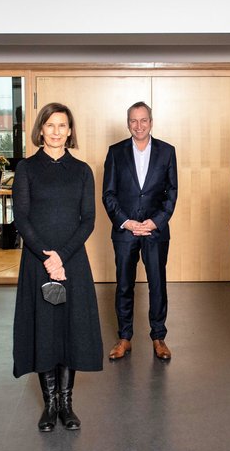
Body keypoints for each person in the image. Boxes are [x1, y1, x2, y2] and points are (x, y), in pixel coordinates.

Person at [12, 102, 103, 432]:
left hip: (72, 261)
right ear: (40, 130)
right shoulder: (26, 168)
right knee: (45, 329)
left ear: (70, 131)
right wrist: (47, 257)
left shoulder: (82, 171)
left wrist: (61, 256)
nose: (55, 131)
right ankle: (49, 404)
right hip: (38, 263)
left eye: (62, 125)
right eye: (50, 125)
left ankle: (67, 403)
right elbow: (21, 217)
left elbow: (88, 219)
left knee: (70, 329)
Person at [101, 101, 178, 361]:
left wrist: (155, 221)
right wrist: (126, 222)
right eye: (133, 121)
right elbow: (108, 194)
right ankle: (124, 338)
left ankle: (159, 337)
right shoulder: (115, 152)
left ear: (151, 122)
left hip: (155, 231)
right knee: (124, 284)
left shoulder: (167, 152)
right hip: (125, 231)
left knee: (157, 284)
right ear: (127, 123)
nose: (139, 125)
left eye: (143, 120)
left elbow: (171, 193)